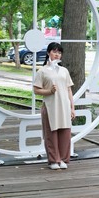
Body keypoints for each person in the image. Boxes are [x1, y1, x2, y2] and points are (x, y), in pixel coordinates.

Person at [33, 42, 76, 170]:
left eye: (59, 52)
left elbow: (69, 90)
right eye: (54, 51)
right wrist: (49, 91)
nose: (57, 54)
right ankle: (53, 160)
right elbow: (36, 90)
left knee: (65, 132)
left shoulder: (64, 71)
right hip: (50, 106)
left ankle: (63, 159)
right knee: (51, 133)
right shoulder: (42, 71)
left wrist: (72, 108)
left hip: (64, 105)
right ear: (48, 53)